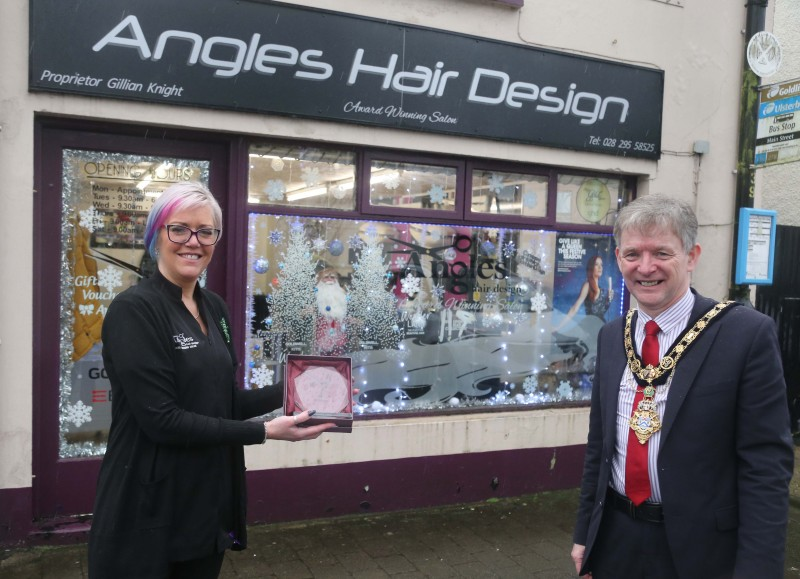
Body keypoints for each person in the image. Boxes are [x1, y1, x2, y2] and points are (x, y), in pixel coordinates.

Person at [88, 182, 335, 579]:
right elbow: (162, 420)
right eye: (179, 228)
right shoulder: (134, 310)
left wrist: (301, 386)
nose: (193, 241)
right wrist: (264, 432)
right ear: (157, 235)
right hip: (148, 505)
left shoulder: (213, 306)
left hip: (205, 500)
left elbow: (219, 400)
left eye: (206, 231)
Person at [571, 194, 794, 578]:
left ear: (691, 256)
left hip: (702, 549)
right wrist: (584, 536)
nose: (645, 267)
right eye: (631, 254)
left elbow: (766, 467)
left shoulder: (745, 335)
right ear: (618, 257)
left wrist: (758, 568)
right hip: (615, 539)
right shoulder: (612, 336)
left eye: (661, 252)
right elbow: (600, 449)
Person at [555, 255, 614, 331]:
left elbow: (603, 311)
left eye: (601, 265)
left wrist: (609, 298)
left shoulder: (603, 290)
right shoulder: (587, 286)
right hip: (590, 328)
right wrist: (558, 327)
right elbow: (574, 308)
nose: (600, 267)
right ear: (591, 268)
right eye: (596, 264)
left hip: (601, 327)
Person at [314, 267, 349, 355]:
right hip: (320, 336)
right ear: (320, 280)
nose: (330, 279)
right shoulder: (315, 295)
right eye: (326, 277)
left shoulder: (343, 295)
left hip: (339, 336)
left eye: (332, 277)